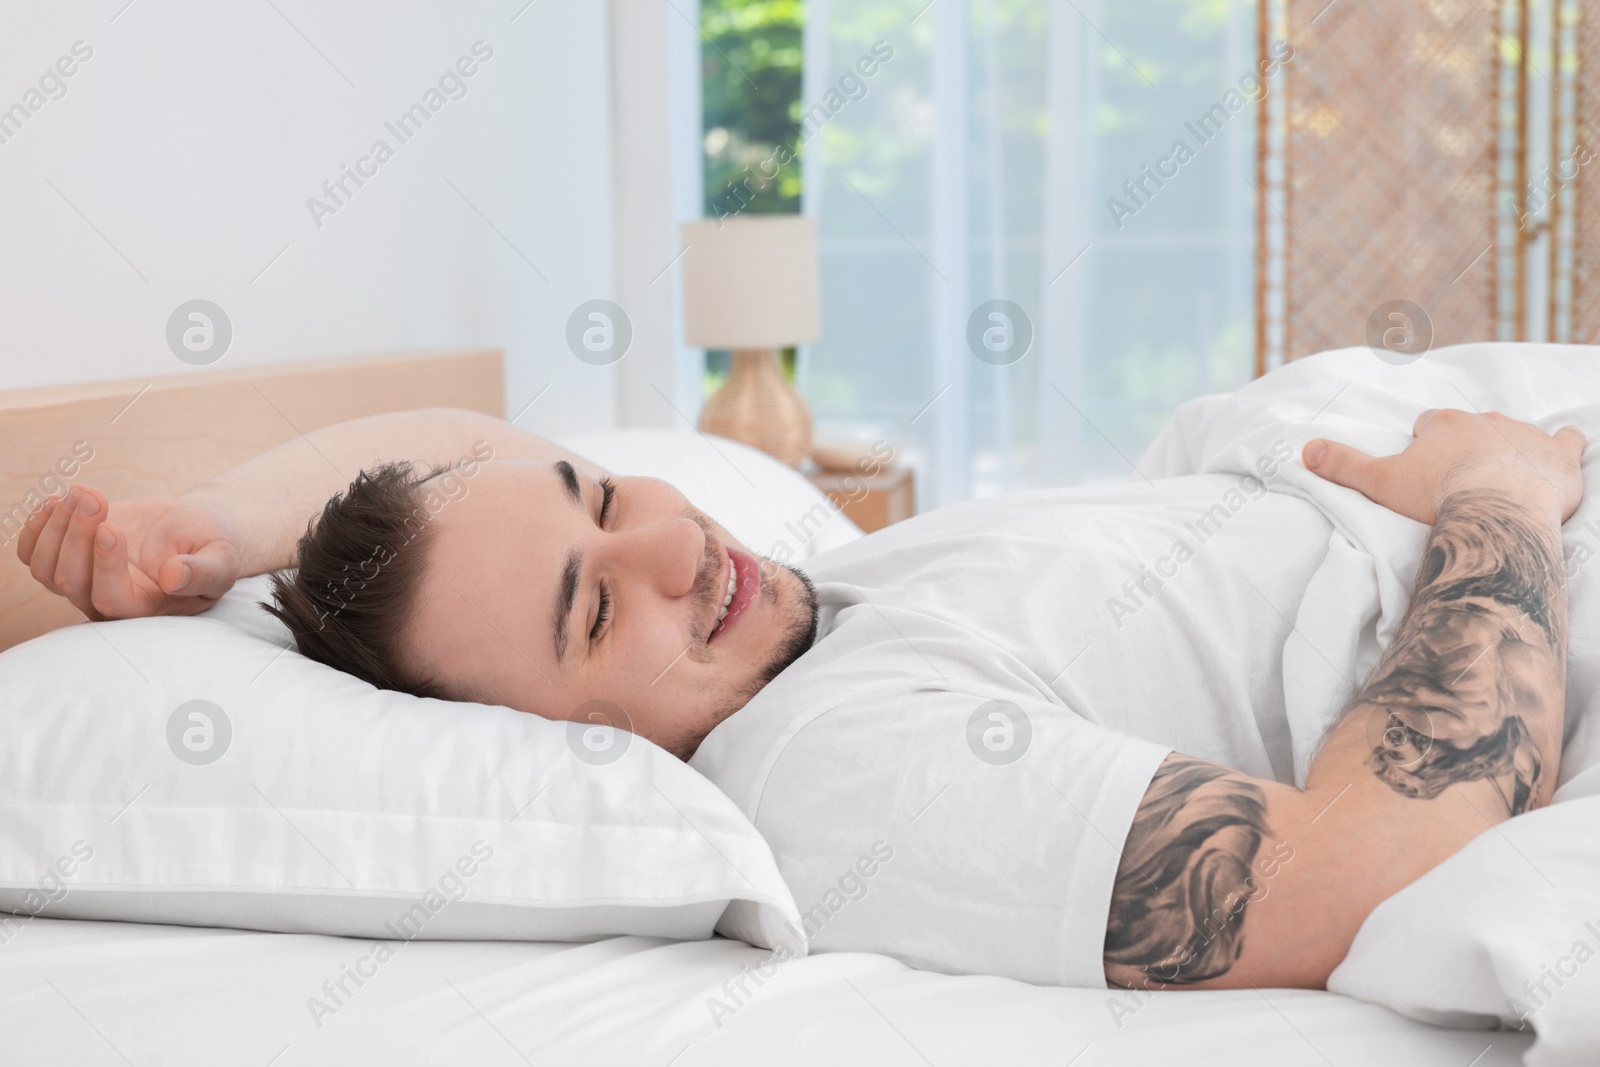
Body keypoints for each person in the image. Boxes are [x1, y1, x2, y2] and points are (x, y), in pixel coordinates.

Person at [16, 404, 1584, 992]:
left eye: (601, 490)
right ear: (536, 740)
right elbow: (1345, 883)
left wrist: (220, 528)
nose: (674, 542)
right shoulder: (834, 766)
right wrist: (1497, 494)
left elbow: (457, 428)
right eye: (591, 607)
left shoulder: (834, 595)